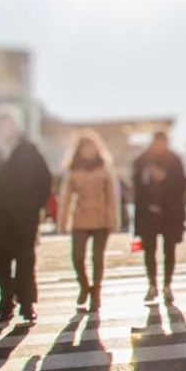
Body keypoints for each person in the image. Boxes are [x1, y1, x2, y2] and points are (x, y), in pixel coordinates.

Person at [0, 107, 51, 324]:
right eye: (2, 123)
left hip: (24, 217)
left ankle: (27, 303)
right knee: (1, 263)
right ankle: (6, 301)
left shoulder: (28, 149)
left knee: (26, 260)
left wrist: (35, 205)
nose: (7, 128)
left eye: (11, 123)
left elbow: (44, 180)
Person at [59, 130, 120, 314]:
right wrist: (62, 222)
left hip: (102, 219)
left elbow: (112, 197)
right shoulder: (73, 171)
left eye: (92, 147)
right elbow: (66, 198)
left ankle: (96, 293)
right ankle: (85, 286)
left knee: (97, 257)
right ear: (79, 149)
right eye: (86, 147)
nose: (89, 151)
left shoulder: (104, 170)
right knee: (77, 257)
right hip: (80, 218)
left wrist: (113, 220)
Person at [132, 130, 186, 305]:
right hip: (148, 212)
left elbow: (183, 185)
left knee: (169, 249)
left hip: (170, 213)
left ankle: (167, 285)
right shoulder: (141, 161)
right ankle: (152, 284)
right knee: (149, 249)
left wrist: (165, 178)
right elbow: (136, 188)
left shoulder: (174, 160)